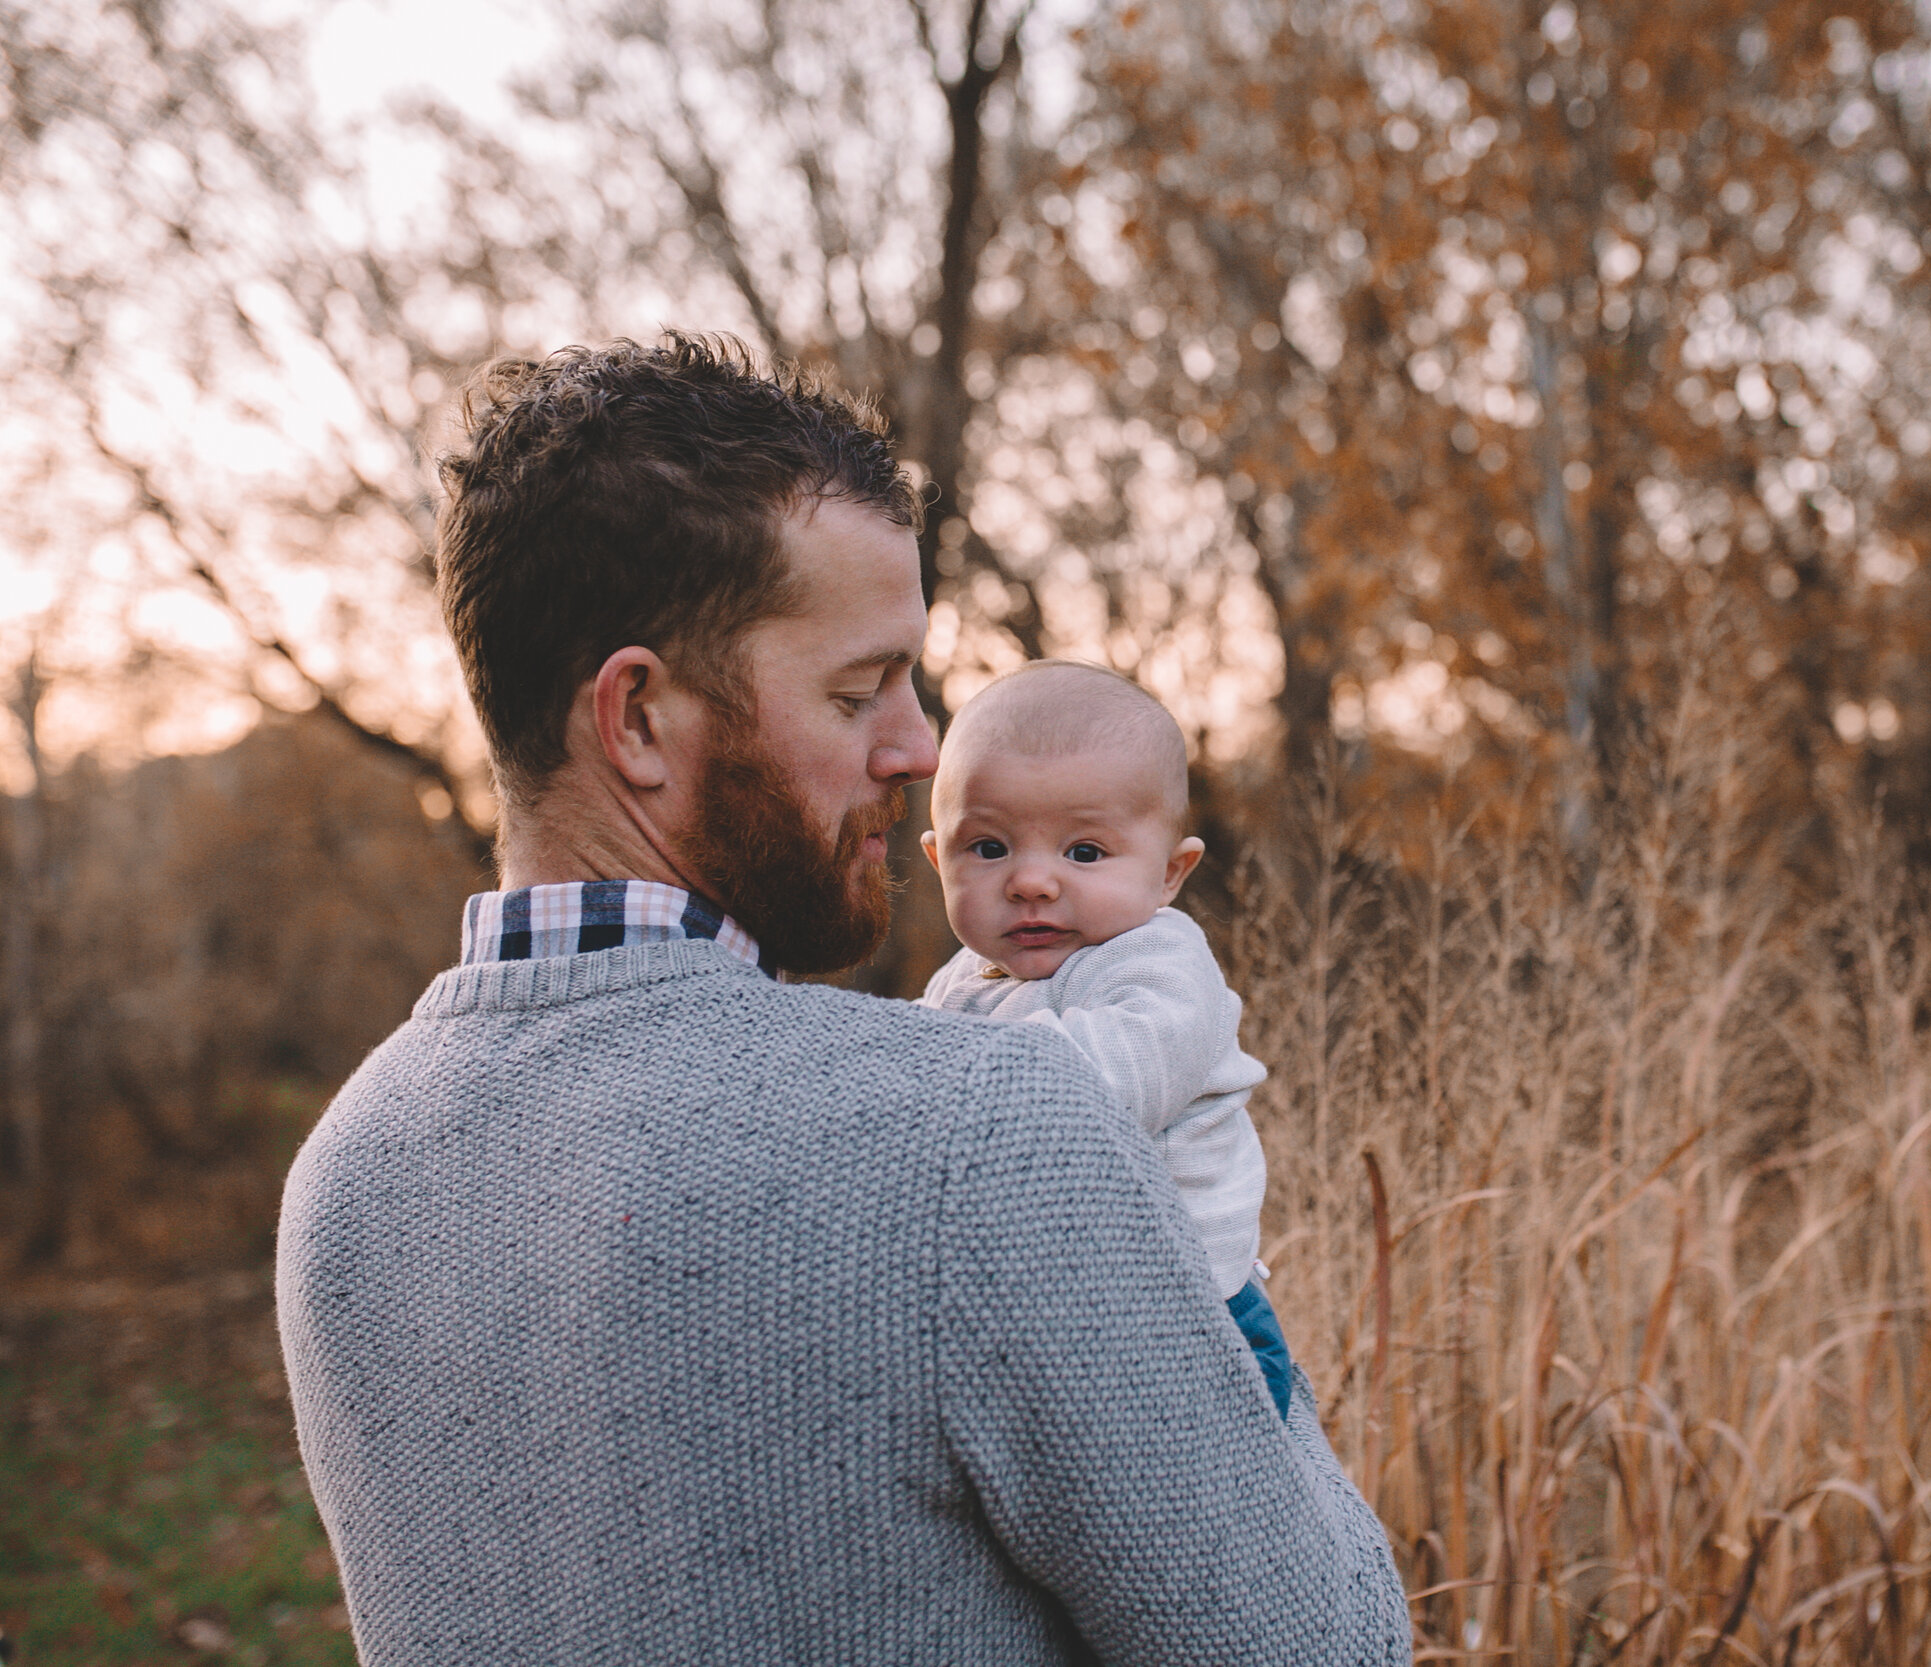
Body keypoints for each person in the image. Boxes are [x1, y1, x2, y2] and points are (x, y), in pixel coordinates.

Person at [272, 333, 1410, 1666]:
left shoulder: (341, 1178)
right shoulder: (979, 1129)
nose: (922, 746)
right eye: (860, 687)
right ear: (638, 719)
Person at [917, 660, 1292, 1417]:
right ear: (937, 858)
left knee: (1206, 1496)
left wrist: (925, 1081)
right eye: (988, 848)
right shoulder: (964, 978)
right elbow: (921, 1091)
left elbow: (1102, 1084)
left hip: (1197, 1308)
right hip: (1068, 1299)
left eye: (1083, 852)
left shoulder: (1160, 964)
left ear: (1169, 873)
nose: (1031, 881)